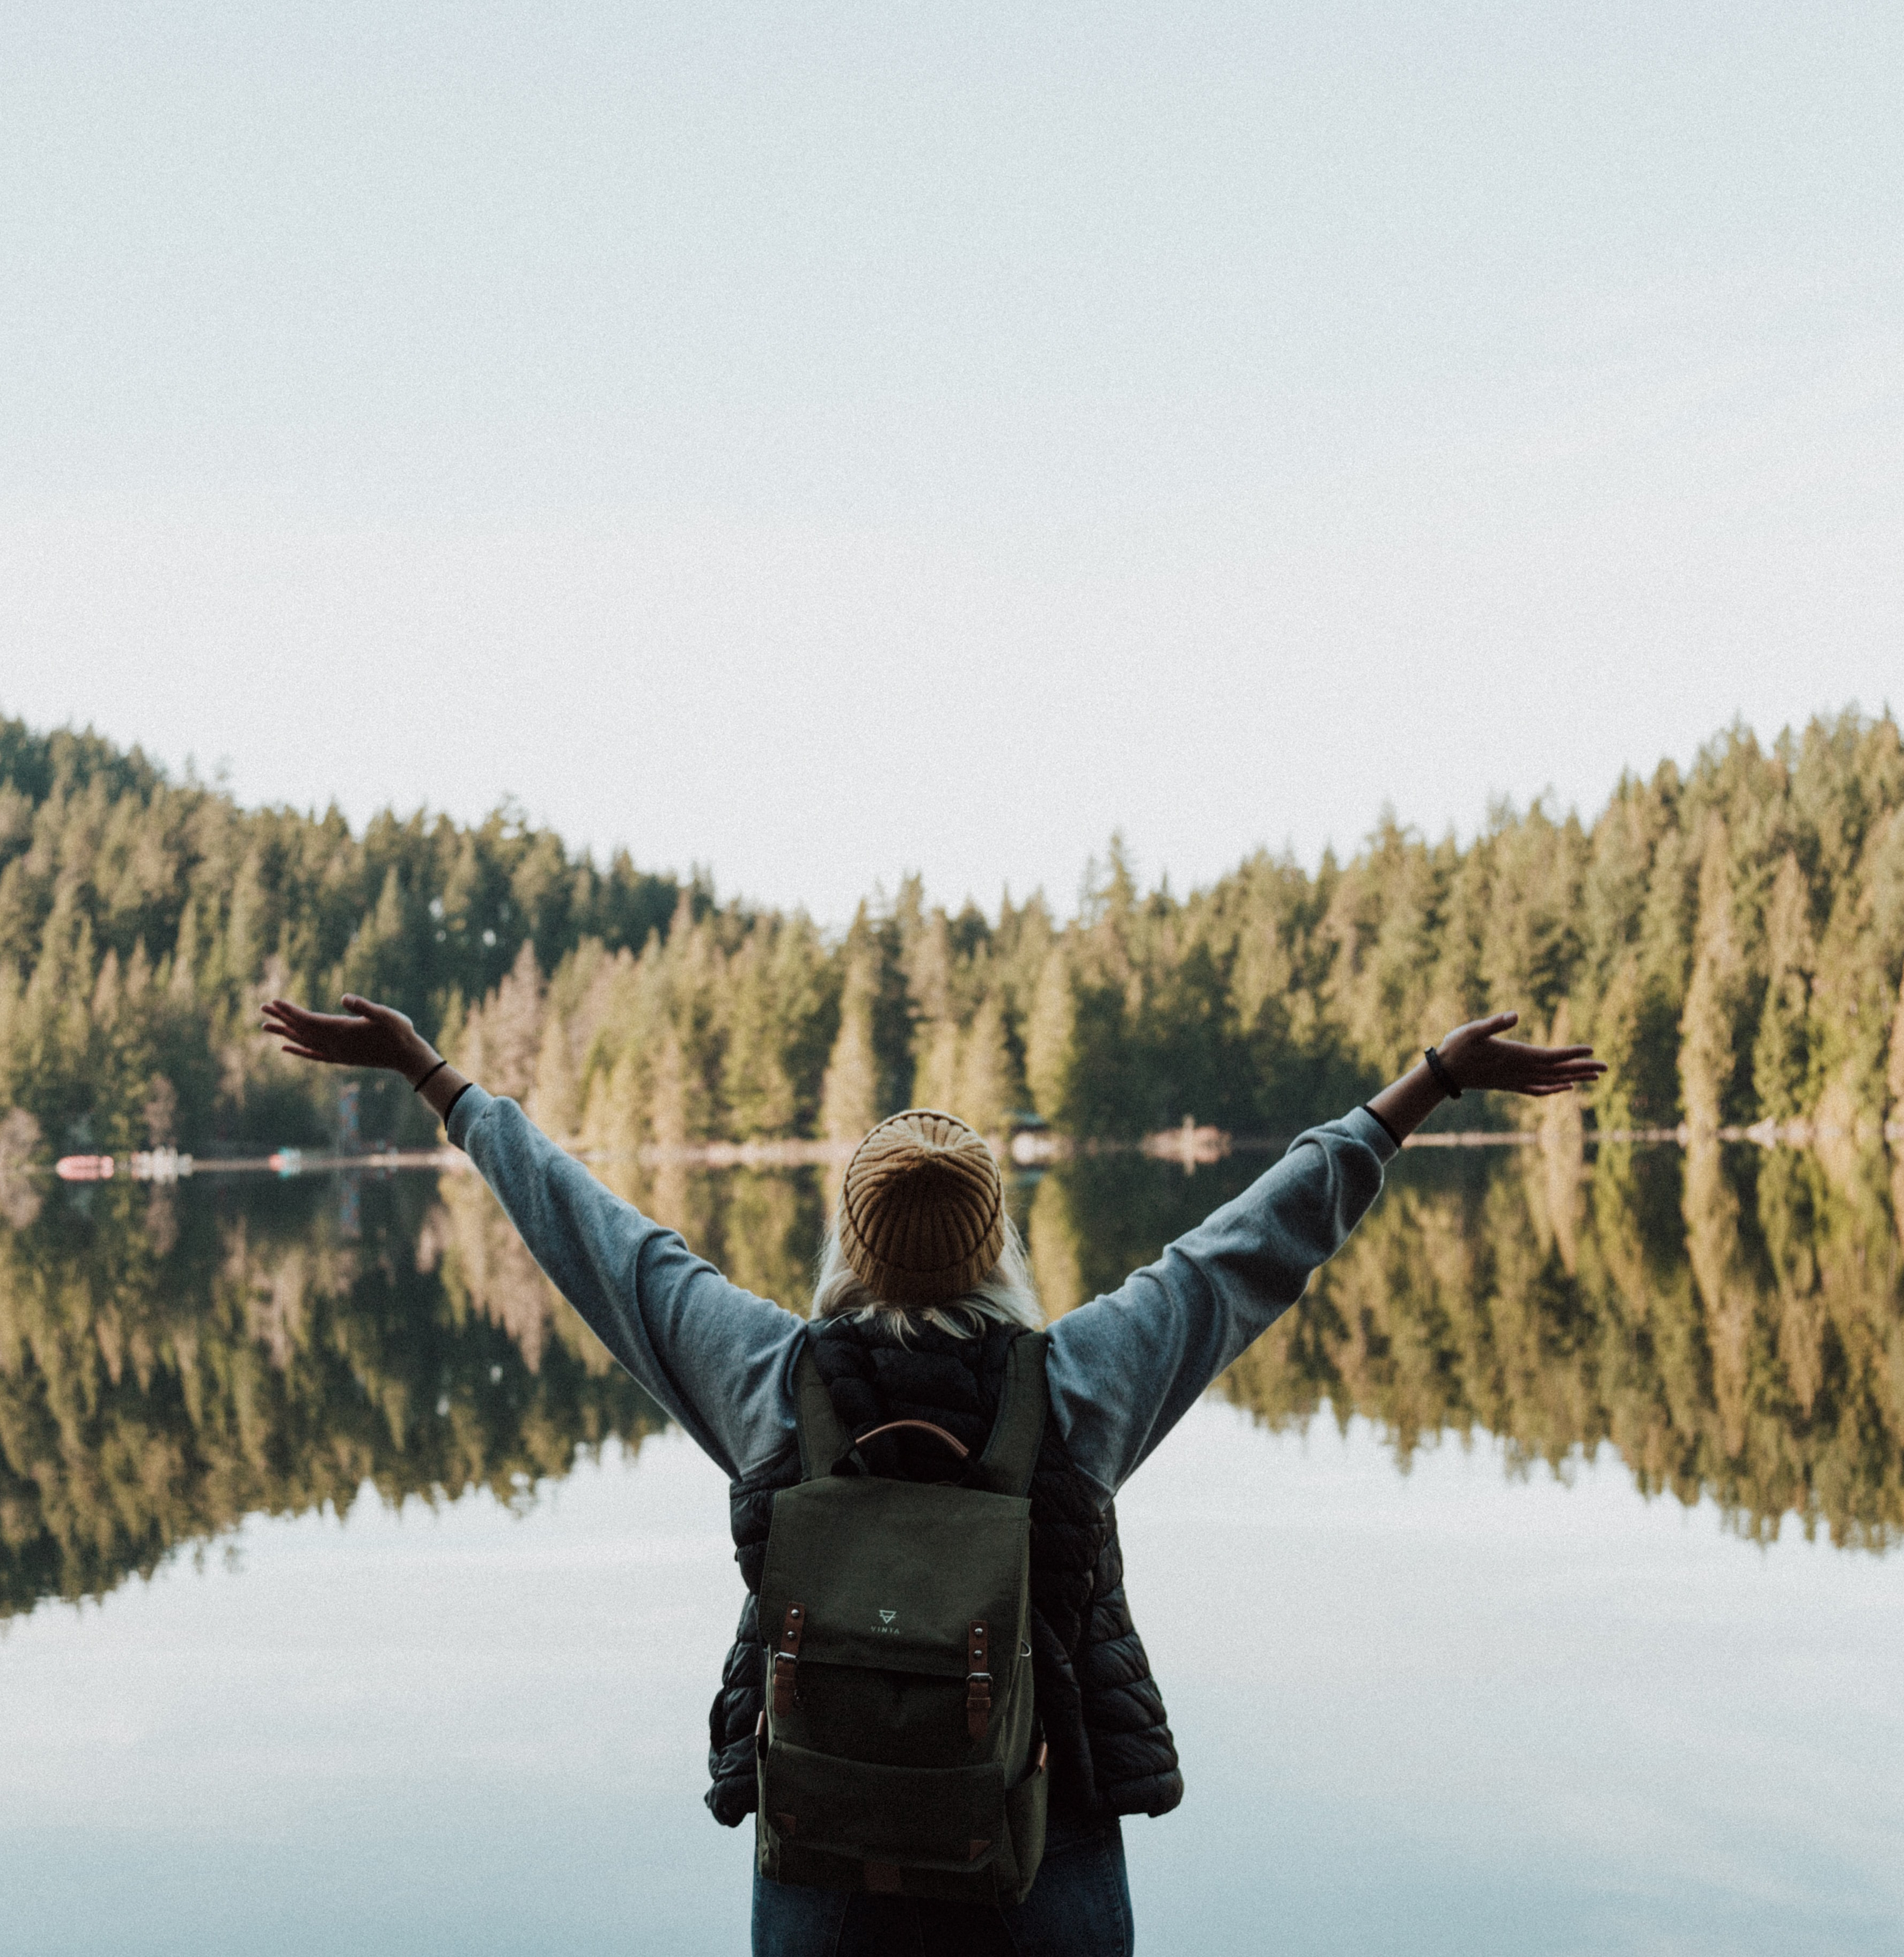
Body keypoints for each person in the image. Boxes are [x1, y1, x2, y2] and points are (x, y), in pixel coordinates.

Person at [263, 991, 1603, 1956]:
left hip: (830, 1845)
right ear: (994, 1245)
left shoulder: (767, 1382)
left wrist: (436, 1080)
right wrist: (1427, 1080)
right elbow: (1254, 1242)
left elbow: (595, 1239)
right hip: (1044, 1833)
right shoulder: (1077, 1385)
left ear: (848, 1239)